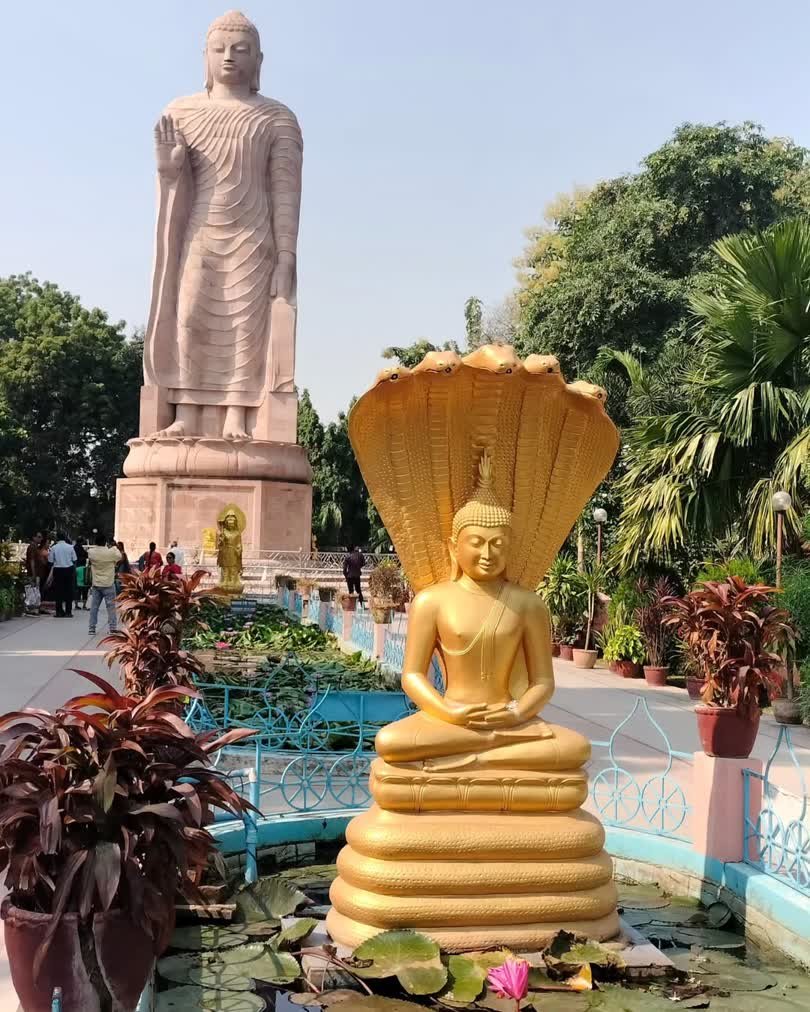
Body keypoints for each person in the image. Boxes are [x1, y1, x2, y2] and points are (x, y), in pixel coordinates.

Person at [87, 533, 121, 636]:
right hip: (108, 583)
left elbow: (91, 553)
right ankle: (112, 628)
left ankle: (92, 628)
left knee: (94, 607)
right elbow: (119, 556)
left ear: (95, 542)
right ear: (105, 542)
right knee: (111, 607)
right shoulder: (111, 552)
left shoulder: (91, 552)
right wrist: (114, 547)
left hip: (97, 584)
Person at [47, 532, 77, 618]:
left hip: (58, 570)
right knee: (69, 590)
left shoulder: (54, 548)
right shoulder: (70, 547)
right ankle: (68, 612)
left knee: (58, 591)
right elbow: (74, 560)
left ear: (57, 538)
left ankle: (59, 611)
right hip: (69, 569)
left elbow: (50, 561)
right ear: (65, 538)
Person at [73, 538, 89, 610]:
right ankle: (84, 605)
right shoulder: (86, 569)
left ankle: (76, 605)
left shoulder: (74, 548)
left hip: (78, 584)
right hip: (85, 584)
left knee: (77, 594)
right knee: (85, 594)